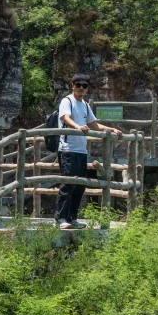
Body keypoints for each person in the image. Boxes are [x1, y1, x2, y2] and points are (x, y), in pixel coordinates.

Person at [55, 74, 123, 229]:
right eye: (78, 85)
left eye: (84, 86)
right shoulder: (67, 101)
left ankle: (72, 218)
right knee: (68, 184)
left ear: (87, 88)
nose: (81, 88)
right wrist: (78, 126)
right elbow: (66, 118)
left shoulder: (85, 105)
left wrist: (111, 129)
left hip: (81, 150)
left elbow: (94, 125)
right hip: (68, 149)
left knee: (79, 186)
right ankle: (61, 218)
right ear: (72, 85)